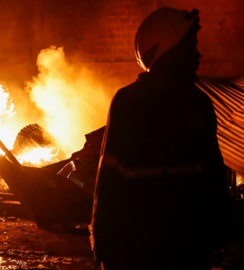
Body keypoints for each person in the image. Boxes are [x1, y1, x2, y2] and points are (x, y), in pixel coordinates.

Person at [90, 7, 231, 270]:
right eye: (191, 46)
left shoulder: (197, 104)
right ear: (171, 51)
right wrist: (103, 243)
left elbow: (213, 175)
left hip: (175, 247)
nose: (198, 56)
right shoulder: (133, 103)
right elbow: (109, 181)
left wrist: (103, 243)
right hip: (148, 249)